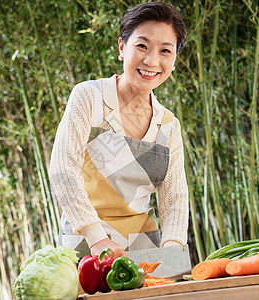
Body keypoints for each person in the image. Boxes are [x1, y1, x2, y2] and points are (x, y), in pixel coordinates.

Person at [49, 1, 188, 260]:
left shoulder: (169, 125)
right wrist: (95, 237)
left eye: (165, 51)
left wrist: (172, 251)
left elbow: (175, 198)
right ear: (122, 48)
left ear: (175, 60)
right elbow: (62, 168)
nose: (152, 60)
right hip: (87, 248)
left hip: (147, 252)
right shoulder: (89, 97)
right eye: (142, 46)